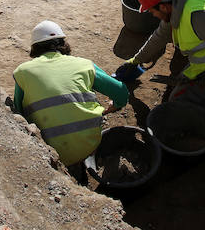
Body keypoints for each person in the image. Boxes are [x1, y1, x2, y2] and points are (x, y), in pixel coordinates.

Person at [13, 20, 128, 182]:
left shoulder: (21, 73)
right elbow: (121, 93)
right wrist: (113, 106)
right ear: (63, 43)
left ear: (34, 48)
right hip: (90, 142)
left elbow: (18, 113)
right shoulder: (84, 65)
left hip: (49, 151)